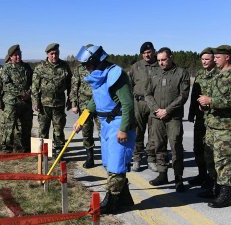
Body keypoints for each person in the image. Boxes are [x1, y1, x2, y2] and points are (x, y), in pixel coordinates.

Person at [73, 45, 136, 214]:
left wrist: (123, 129)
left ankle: (112, 202)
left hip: (118, 123)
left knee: (116, 164)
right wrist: (82, 119)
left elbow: (128, 104)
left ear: (95, 61)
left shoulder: (116, 74)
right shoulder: (98, 75)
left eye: (87, 64)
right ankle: (125, 199)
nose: (85, 67)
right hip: (106, 125)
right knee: (109, 162)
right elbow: (95, 100)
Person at [197, 45, 231, 208]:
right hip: (211, 124)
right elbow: (210, 96)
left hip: (226, 127)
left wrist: (211, 101)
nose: (214, 59)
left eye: (217, 57)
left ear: (227, 57)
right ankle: (214, 187)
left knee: (224, 161)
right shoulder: (217, 75)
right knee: (209, 158)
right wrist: (204, 104)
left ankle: (225, 194)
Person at [145, 47, 190, 192]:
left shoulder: (181, 73)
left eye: (163, 60)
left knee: (176, 146)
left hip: (173, 117)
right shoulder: (154, 72)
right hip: (157, 116)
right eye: (158, 60)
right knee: (159, 145)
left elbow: (183, 96)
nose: (161, 63)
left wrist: (167, 110)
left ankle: (178, 178)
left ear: (171, 57)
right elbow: (147, 94)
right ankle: (162, 174)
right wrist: (156, 110)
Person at [31, 43, 72, 157]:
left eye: (56, 53)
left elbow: (70, 85)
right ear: (47, 54)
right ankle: (41, 154)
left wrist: (70, 99)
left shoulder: (64, 66)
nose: (54, 56)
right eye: (52, 54)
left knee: (58, 130)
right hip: (43, 105)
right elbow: (34, 86)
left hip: (59, 104)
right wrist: (35, 101)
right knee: (42, 130)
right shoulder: (40, 67)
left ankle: (59, 153)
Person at [187, 47, 217, 186]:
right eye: (202, 59)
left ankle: (212, 178)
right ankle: (201, 174)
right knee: (198, 147)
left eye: (207, 59)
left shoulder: (219, 74)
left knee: (210, 150)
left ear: (213, 59)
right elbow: (194, 95)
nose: (204, 62)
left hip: (213, 118)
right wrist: (191, 113)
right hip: (200, 117)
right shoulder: (199, 74)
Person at [0, 44, 33, 153]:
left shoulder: (27, 67)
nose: (18, 57)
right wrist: (22, 93)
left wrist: (29, 93)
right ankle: (7, 149)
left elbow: (33, 83)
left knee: (26, 127)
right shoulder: (6, 69)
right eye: (15, 55)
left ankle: (26, 148)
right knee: (9, 127)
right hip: (11, 103)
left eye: (19, 54)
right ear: (10, 57)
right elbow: (7, 85)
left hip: (26, 103)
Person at [128, 41, 159, 172]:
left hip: (154, 104)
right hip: (139, 103)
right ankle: (136, 159)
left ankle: (151, 159)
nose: (147, 54)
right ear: (142, 54)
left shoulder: (159, 65)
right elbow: (129, 86)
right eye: (144, 53)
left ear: (153, 51)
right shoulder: (136, 67)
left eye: (149, 52)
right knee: (137, 132)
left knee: (153, 133)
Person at [69, 61, 101, 168]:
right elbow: (74, 86)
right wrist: (74, 104)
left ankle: (107, 156)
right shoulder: (79, 69)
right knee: (86, 131)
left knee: (103, 131)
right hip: (84, 105)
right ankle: (90, 157)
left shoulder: (100, 67)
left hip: (100, 104)